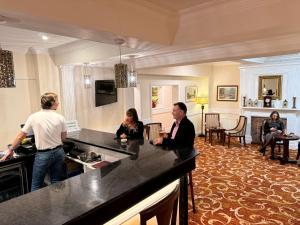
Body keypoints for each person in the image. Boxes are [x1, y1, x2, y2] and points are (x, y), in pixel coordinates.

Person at [0, 92, 67, 191]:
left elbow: (20, 136)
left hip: (43, 155)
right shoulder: (60, 118)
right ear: (52, 103)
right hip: (59, 152)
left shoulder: (34, 117)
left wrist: (10, 150)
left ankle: (35, 206)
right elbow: (64, 138)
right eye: (57, 101)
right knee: (56, 182)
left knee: (36, 185)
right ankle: (57, 205)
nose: (58, 103)